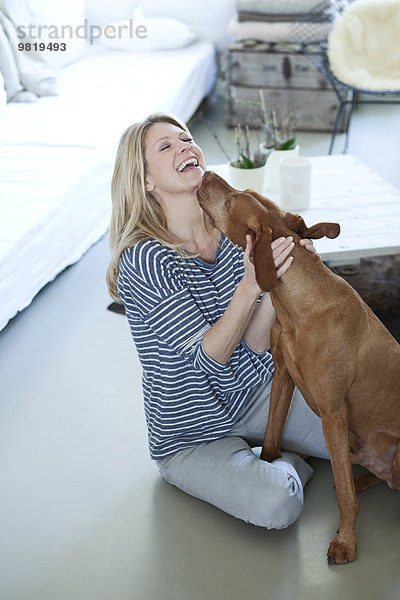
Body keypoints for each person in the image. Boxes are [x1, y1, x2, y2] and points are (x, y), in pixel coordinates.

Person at [106, 112, 328, 530]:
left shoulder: (230, 230)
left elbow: (258, 344)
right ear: (146, 181)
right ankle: (287, 461)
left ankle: (270, 449)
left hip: (260, 394)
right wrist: (251, 283)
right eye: (166, 146)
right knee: (276, 505)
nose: (185, 147)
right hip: (192, 435)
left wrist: (279, 274)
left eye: (187, 138)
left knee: (368, 430)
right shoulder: (144, 260)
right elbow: (209, 360)